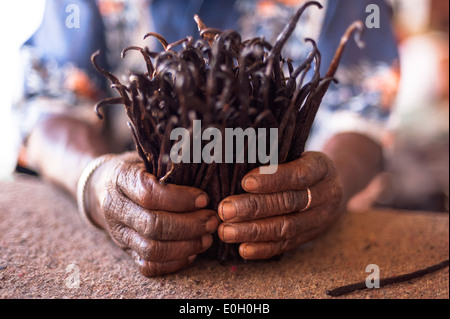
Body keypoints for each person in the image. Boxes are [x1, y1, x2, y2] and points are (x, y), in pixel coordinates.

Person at [13, 0, 399, 277]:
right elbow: (51, 108)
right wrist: (96, 180)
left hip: (289, 250)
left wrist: (327, 184)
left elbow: (360, 115)